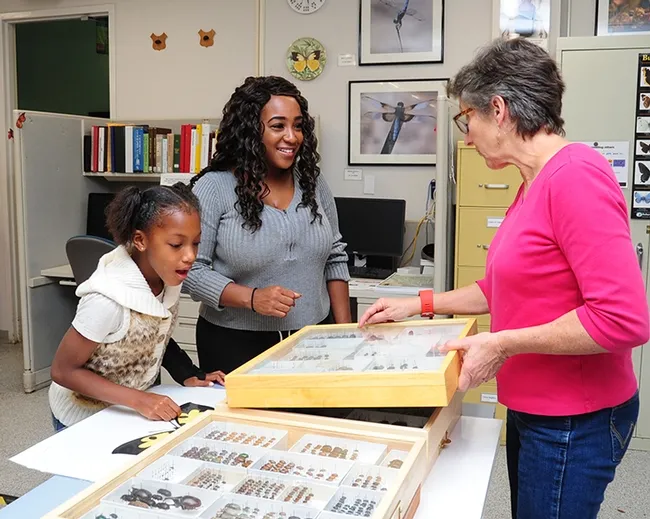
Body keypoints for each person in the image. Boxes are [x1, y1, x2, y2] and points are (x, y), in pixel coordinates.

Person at [359, 38, 649, 519]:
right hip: (538, 407)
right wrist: (419, 304)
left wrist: (501, 344)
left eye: (465, 119)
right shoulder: (533, 181)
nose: (466, 137)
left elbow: (622, 320)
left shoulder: (575, 177)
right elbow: (505, 288)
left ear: (499, 110)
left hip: (574, 418)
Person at [183, 75, 351, 375]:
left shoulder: (313, 184)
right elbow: (191, 272)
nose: (292, 136)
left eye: (298, 126)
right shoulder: (214, 188)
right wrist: (252, 298)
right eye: (278, 126)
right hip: (236, 345)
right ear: (250, 130)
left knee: (318, 422)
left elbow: (335, 257)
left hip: (315, 341)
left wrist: (345, 334)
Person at [49, 183, 225, 431]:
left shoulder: (167, 279)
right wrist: (140, 400)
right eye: (176, 245)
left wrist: (188, 372)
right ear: (140, 240)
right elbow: (62, 370)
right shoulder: (106, 299)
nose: (190, 256)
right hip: (81, 415)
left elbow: (155, 333)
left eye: (195, 243)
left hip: (123, 409)